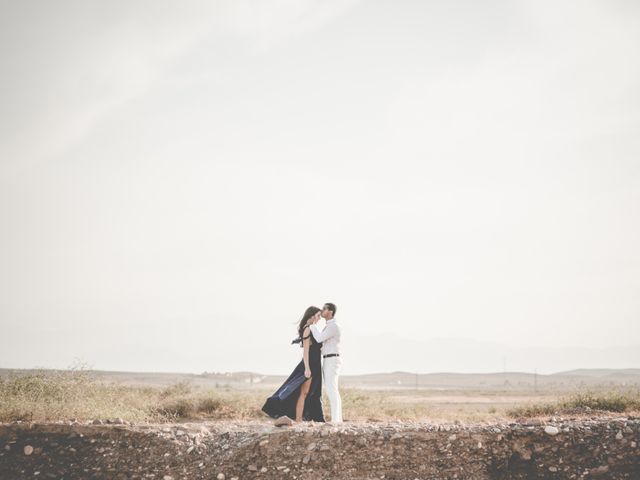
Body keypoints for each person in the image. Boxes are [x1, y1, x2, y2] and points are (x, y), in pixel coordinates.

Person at [262, 306, 325, 424]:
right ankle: (299, 420)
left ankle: (306, 419)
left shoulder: (312, 328)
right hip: (309, 365)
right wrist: (307, 368)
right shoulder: (308, 329)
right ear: (311, 316)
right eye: (318, 316)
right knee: (304, 393)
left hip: (315, 364)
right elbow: (305, 351)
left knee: (310, 393)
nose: (319, 319)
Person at [310, 302, 342, 423]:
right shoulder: (330, 325)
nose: (322, 311)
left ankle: (335, 420)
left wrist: (312, 326)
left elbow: (319, 338)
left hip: (332, 359)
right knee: (333, 389)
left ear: (331, 312)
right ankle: (337, 419)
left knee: (331, 389)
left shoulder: (333, 326)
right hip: (329, 359)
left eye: (324, 309)